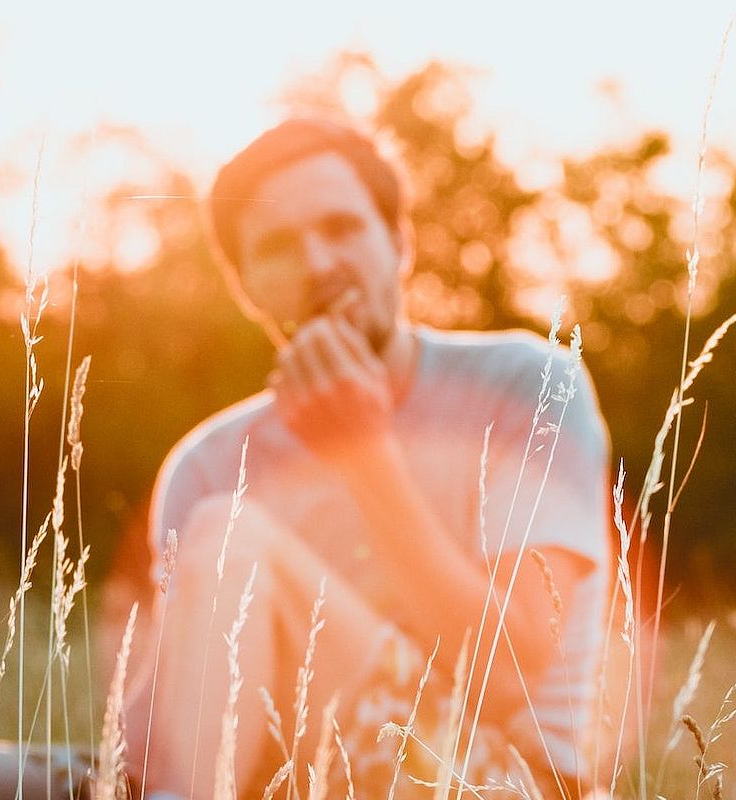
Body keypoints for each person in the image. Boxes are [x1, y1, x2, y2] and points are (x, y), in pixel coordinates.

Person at [120, 118, 615, 800]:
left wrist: (362, 452)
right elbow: (173, 737)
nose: (319, 265)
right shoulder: (208, 462)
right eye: (278, 247)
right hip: (283, 781)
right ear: (247, 287)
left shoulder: (525, 385)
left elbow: (509, 681)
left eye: (342, 228)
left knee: (226, 533)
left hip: (500, 778)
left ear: (400, 243)